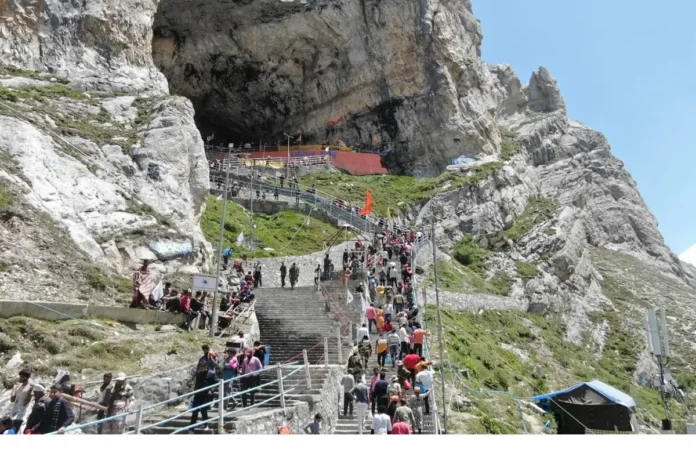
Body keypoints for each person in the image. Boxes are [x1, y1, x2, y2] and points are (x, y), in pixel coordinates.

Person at [190, 367, 218, 431]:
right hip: (198, 394)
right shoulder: (199, 373)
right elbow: (197, 385)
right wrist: (194, 393)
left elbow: (217, 382)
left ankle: (206, 425)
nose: (201, 368)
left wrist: (211, 390)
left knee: (203, 410)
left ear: (206, 367)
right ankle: (191, 429)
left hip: (206, 395)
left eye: (202, 367)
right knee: (195, 411)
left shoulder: (211, 373)